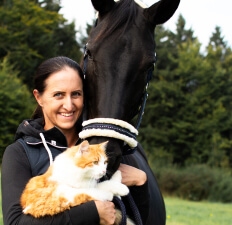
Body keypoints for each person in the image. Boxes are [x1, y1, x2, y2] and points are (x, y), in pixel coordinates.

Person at [1, 56, 147, 225]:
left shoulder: (102, 147)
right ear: (39, 97)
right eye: (58, 95)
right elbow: (14, 222)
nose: (69, 105)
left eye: (76, 94)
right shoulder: (20, 153)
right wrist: (91, 212)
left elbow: (141, 219)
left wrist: (141, 183)